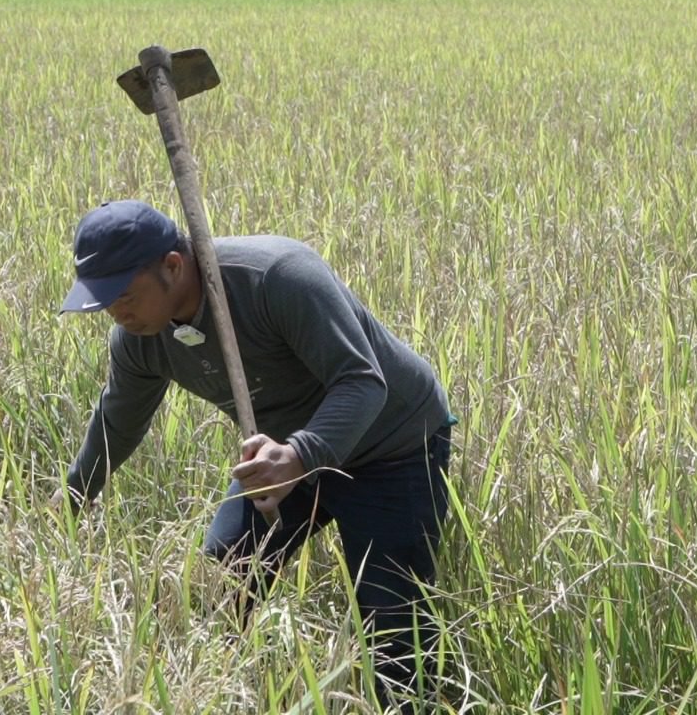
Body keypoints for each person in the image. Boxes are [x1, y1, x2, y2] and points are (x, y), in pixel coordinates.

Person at [55, 199, 456, 710]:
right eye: (106, 303)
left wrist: (298, 457)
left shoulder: (277, 277)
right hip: (282, 454)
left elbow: (361, 382)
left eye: (125, 296)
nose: (118, 314)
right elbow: (118, 420)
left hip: (392, 446)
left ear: (172, 266)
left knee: (394, 630)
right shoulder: (141, 339)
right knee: (220, 585)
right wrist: (75, 494)